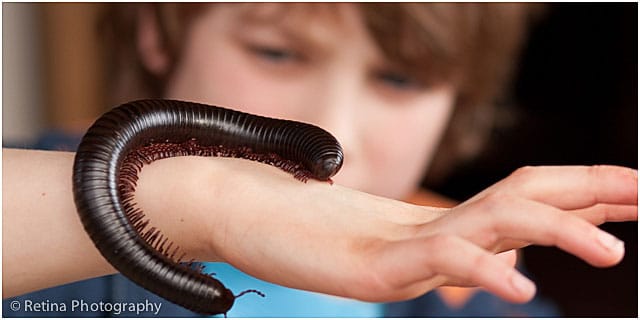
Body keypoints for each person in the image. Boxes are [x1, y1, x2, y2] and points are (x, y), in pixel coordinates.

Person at [3, 3, 636, 317]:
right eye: (277, 54)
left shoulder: (469, 298)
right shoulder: (37, 239)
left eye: (400, 80)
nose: (335, 125)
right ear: (159, 31)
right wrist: (192, 201)